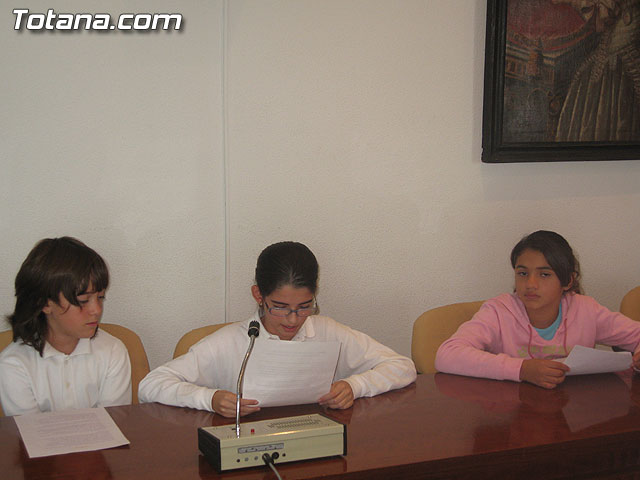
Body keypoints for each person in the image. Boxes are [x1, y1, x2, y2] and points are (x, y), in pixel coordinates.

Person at [138, 241, 416, 417]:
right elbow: (150, 386)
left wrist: (355, 385)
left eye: (305, 306)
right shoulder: (227, 343)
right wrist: (209, 398)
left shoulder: (327, 331)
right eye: (280, 307)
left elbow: (402, 367)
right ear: (258, 295)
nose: (293, 320)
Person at [435, 230, 640, 389]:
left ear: (568, 280)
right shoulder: (498, 312)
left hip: (573, 415)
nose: (530, 284)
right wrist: (522, 369)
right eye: (522, 273)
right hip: (513, 416)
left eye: (544, 275)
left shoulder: (586, 310)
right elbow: (447, 355)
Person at [0, 237, 131, 416]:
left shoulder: (113, 351)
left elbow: (114, 424)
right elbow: (32, 434)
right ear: (44, 303)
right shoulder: (15, 364)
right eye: (83, 301)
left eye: (100, 297)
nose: (96, 310)